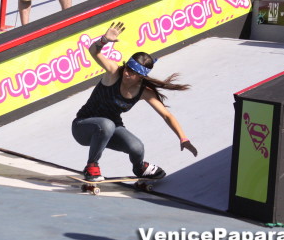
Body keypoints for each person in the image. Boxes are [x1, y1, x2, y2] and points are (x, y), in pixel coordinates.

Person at [72, 22, 199, 182]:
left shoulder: (144, 91)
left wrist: (183, 138)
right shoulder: (113, 72)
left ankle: (140, 168)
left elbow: (166, 115)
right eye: (127, 69)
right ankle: (91, 166)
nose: (126, 74)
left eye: (132, 73)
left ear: (140, 76)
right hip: (83, 127)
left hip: (111, 129)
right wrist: (104, 40)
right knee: (106, 125)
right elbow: (93, 52)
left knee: (137, 147)